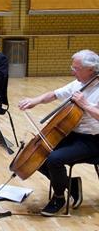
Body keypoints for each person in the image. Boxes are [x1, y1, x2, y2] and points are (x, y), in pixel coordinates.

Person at [18, 49, 99, 216]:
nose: (72, 70)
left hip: (93, 140)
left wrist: (86, 105)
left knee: (54, 159)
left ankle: (59, 197)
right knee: (38, 153)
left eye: (76, 68)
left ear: (90, 69)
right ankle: (71, 184)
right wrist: (36, 100)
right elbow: (54, 94)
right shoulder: (78, 84)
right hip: (72, 134)